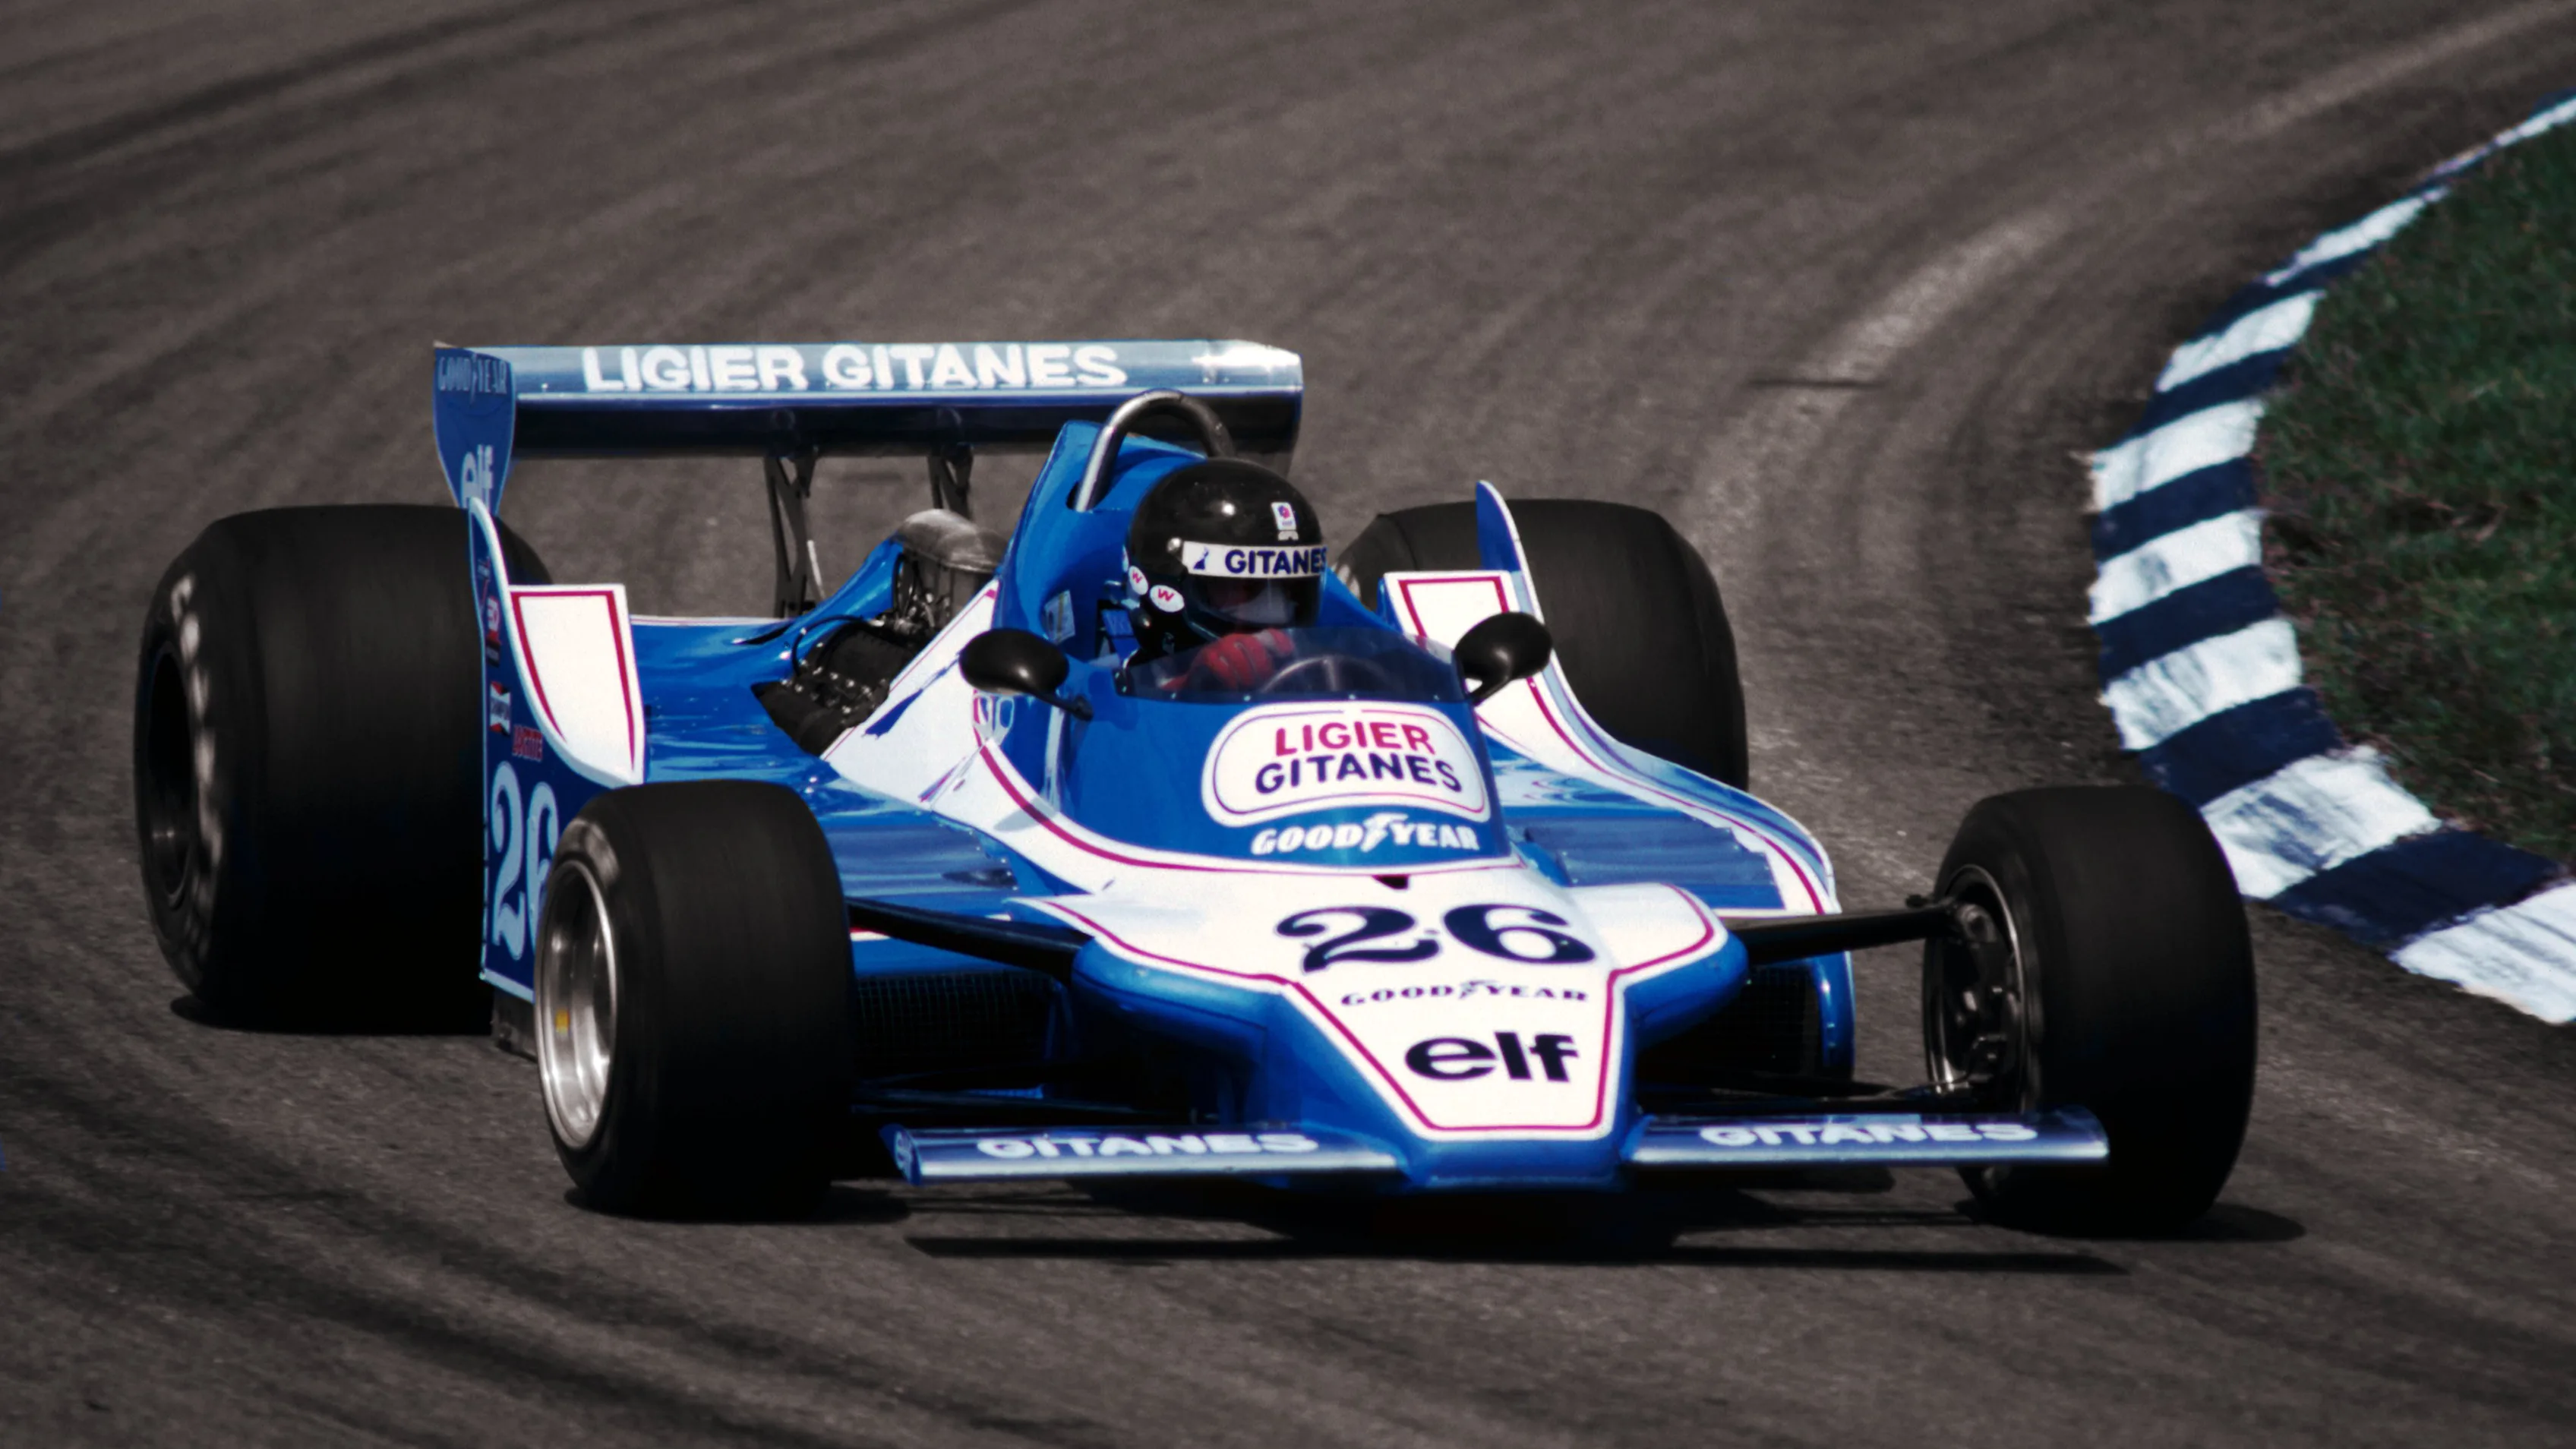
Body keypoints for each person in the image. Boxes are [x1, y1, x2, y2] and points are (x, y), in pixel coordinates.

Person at [1122, 458, 1326, 691]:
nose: (1273, 626)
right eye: (1242, 592)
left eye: (1290, 594)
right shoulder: (1100, 703)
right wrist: (1191, 687)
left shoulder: (1325, 671)